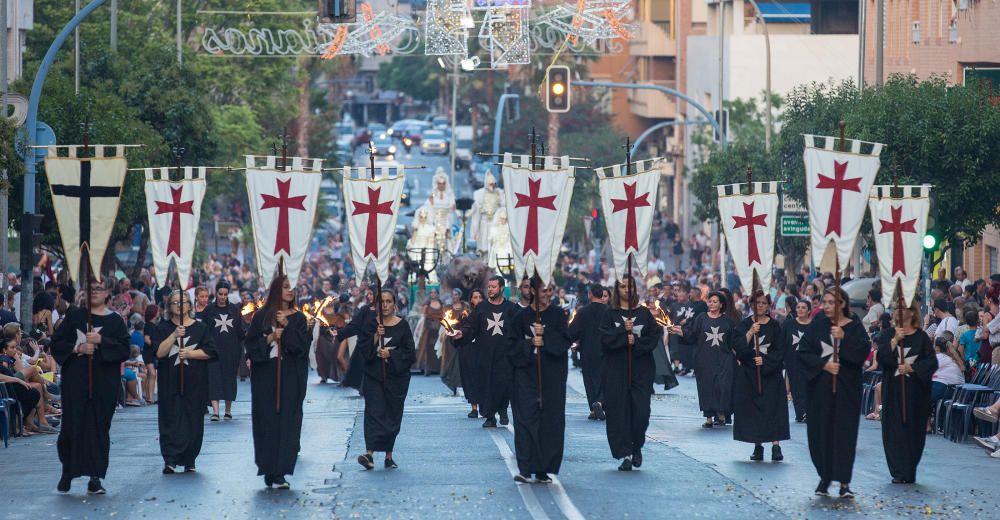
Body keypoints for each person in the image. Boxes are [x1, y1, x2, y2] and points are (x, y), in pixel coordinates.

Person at [51, 279, 130, 495]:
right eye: (90, 289)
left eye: (99, 289)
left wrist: (102, 340)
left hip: (103, 384)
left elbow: (124, 350)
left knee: (98, 429)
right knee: (71, 428)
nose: (94, 293)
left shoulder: (115, 321)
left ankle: (95, 477)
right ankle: (68, 470)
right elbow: (56, 343)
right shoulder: (75, 316)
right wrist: (78, 347)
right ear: (84, 293)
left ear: (106, 293)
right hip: (76, 383)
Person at [799, 287, 868, 499]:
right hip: (821, 390)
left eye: (831, 302)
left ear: (843, 304)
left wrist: (844, 338)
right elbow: (804, 352)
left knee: (844, 434)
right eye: (825, 302)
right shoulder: (818, 325)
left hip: (846, 390)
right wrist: (824, 365)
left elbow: (861, 352)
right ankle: (825, 476)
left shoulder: (854, 326)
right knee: (820, 433)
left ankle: (844, 482)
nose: (827, 306)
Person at [244, 275, 311, 489]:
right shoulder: (261, 317)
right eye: (285, 287)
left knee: (287, 421)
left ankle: (281, 470)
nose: (290, 290)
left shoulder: (299, 319)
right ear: (276, 289)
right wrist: (271, 338)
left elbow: (301, 348)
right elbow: (252, 346)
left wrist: (287, 326)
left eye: (292, 287)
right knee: (267, 421)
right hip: (266, 377)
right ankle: (268, 467)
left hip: (290, 377)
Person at [507, 278, 570, 483]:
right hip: (526, 376)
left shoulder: (558, 315)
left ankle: (543, 468)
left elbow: (564, 342)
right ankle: (525, 468)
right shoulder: (520, 317)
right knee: (525, 420)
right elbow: (510, 346)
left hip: (551, 377)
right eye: (544, 290)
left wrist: (546, 339)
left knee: (548, 423)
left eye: (550, 290)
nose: (548, 294)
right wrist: (529, 344)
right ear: (534, 291)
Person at [599, 276, 662, 471]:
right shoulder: (610, 314)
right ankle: (625, 453)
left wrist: (637, 342)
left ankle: (636, 445)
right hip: (616, 371)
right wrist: (621, 335)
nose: (627, 289)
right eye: (623, 286)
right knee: (619, 413)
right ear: (617, 289)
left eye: (630, 286)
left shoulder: (643, 313)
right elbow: (604, 339)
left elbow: (654, 335)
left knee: (641, 413)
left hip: (641, 370)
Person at [876, 299, 937, 484]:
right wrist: (894, 341)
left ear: (912, 312)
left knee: (914, 432)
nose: (898, 312)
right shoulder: (887, 335)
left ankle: (909, 470)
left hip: (915, 395)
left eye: (903, 309)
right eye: (896, 309)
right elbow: (881, 358)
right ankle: (898, 471)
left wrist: (912, 368)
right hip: (893, 393)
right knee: (893, 431)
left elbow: (932, 362)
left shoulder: (921, 338)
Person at [156, 290, 217, 474]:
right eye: (175, 303)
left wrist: (190, 353)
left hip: (195, 382)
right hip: (170, 382)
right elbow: (159, 353)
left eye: (182, 302)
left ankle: (190, 457)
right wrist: (174, 335)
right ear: (170, 307)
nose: (179, 306)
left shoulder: (201, 328)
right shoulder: (163, 327)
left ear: (190, 306)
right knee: (170, 418)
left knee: (193, 419)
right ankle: (170, 459)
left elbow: (211, 352)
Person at [357, 290, 415, 470]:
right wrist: (375, 336)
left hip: (395, 379)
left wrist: (390, 353)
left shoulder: (402, 326)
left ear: (394, 304)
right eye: (382, 302)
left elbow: (409, 353)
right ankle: (369, 454)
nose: (385, 305)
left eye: (389, 301)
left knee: (391, 414)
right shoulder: (370, 324)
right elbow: (363, 351)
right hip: (374, 377)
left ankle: (389, 456)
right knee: (374, 413)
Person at [733, 290, 789, 462]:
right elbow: (739, 348)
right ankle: (758, 445)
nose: (761, 306)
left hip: (770, 374)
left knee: (773, 409)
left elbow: (780, 351)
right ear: (752, 305)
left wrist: (764, 361)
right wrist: (750, 332)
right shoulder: (744, 325)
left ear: (769, 305)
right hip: (750, 374)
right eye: (758, 303)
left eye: (764, 303)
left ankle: (776, 446)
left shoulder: (774, 326)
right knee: (754, 410)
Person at [455, 276, 517, 427]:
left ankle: (502, 410)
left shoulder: (511, 308)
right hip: (485, 355)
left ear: (501, 288)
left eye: (494, 287)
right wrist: (462, 334)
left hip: (504, 355)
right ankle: (490, 417)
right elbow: (471, 326)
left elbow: (519, 328)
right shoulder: (481, 308)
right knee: (486, 385)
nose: (490, 289)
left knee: (503, 384)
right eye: (489, 286)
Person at [670, 291, 737, 428]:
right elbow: (691, 335)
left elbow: (733, 342)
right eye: (710, 301)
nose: (711, 304)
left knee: (722, 386)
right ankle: (708, 417)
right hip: (704, 359)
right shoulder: (701, 318)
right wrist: (680, 331)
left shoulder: (728, 321)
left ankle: (721, 414)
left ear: (721, 304)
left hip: (724, 359)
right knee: (706, 387)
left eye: (714, 302)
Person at [202, 282, 244, 421]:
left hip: (231, 351)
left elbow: (240, 331)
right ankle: (215, 412)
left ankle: (228, 410)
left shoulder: (234, 310)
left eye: (225, 294)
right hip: (213, 350)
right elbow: (204, 331)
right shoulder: (209, 310)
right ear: (216, 293)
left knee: (229, 379)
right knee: (213, 379)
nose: (223, 297)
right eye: (220, 294)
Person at [568, 284, 608, 420]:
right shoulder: (609, 312)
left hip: (587, 351)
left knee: (589, 380)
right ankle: (600, 402)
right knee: (604, 379)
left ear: (590, 294)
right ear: (602, 294)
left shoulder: (583, 312)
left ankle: (593, 406)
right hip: (606, 350)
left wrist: (570, 342)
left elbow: (573, 331)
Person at [781, 297, 812, 423]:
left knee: (808, 386)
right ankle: (801, 412)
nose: (800, 309)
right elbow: (782, 342)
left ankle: (808, 411)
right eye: (798, 307)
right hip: (792, 361)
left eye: (803, 307)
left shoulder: (813, 326)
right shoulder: (788, 325)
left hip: (809, 362)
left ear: (809, 311)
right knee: (796, 387)